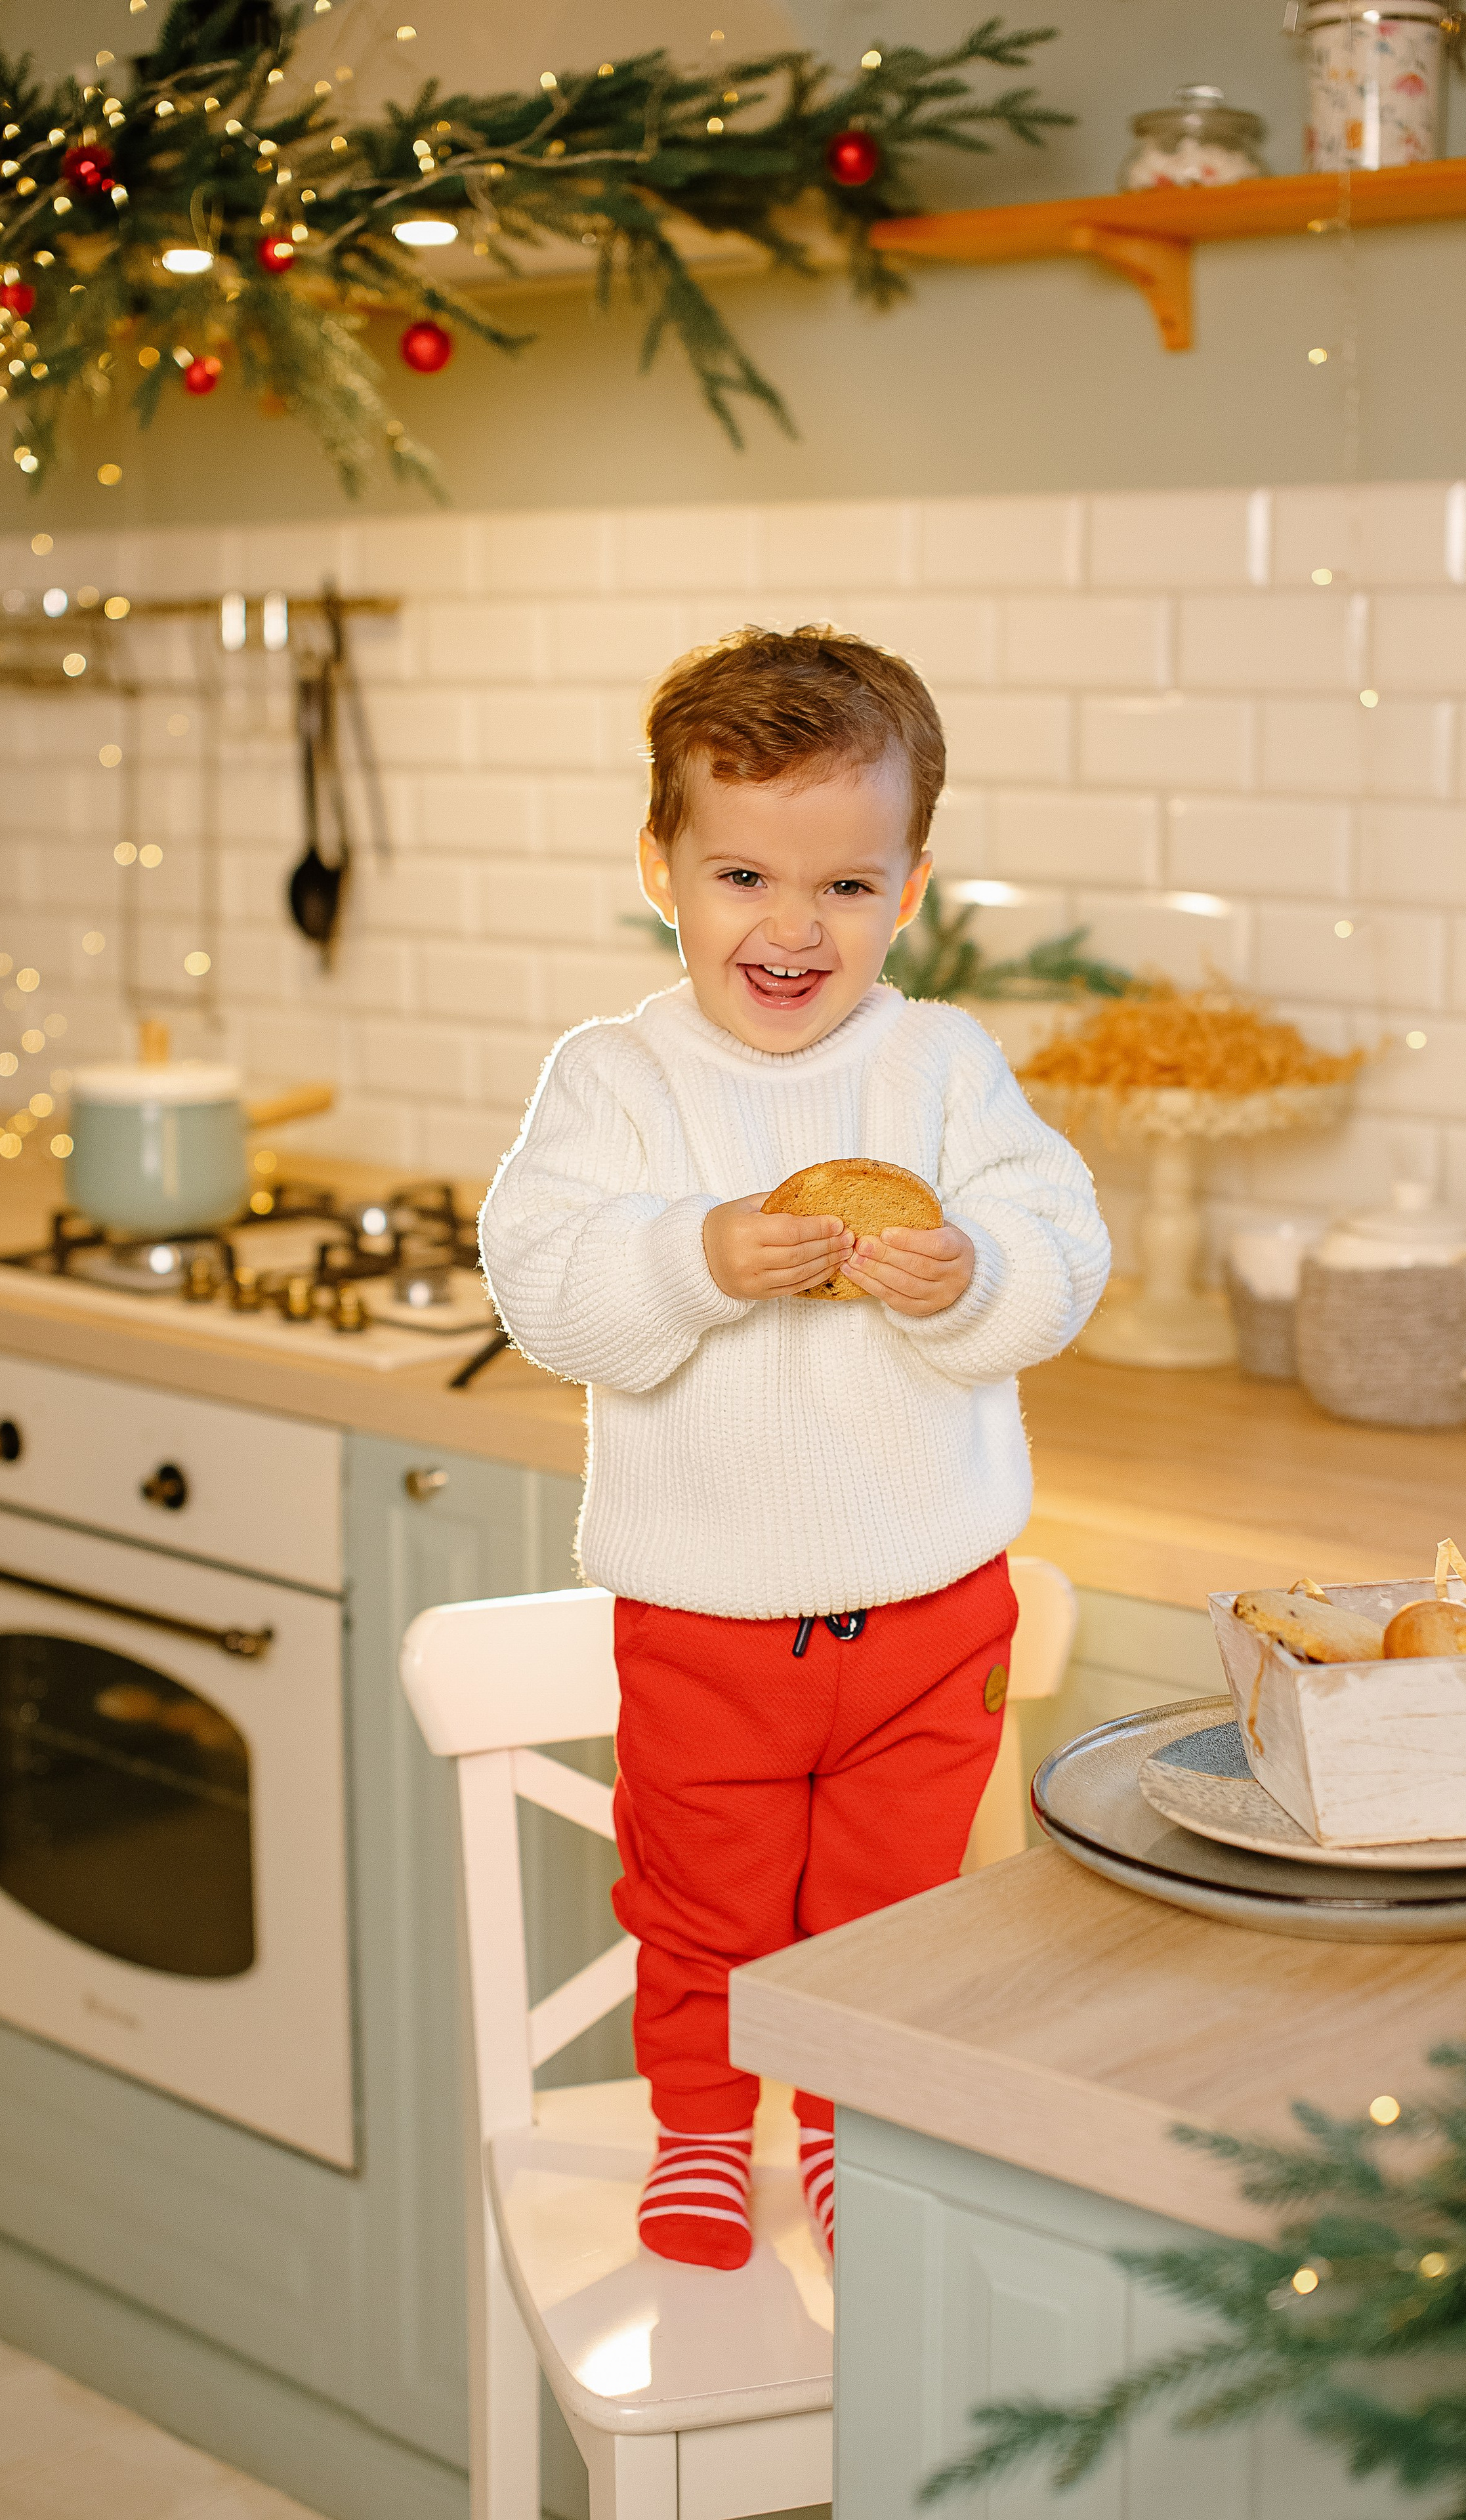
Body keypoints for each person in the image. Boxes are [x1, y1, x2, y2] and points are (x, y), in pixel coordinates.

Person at [478, 625, 1109, 2271]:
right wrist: (693, 1256)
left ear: (906, 892)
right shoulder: (613, 1084)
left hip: (926, 1611)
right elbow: (545, 1289)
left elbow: (1059, 1249)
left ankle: (838, 2127)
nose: (790, 925)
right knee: (702, 1902)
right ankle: (701, 2125)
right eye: (743, 871)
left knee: (888, 1916)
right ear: (659, 870)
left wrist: (972, 1273)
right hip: (703, 1619)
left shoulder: (944, 1066)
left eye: (843, 885)